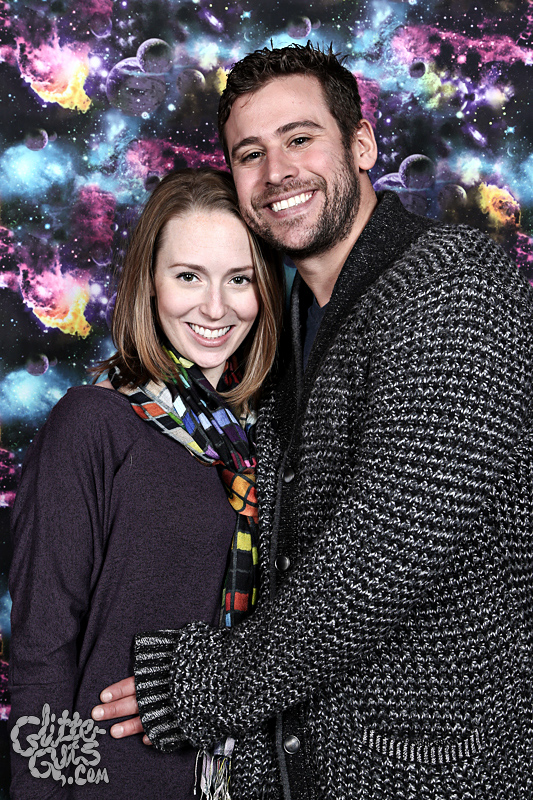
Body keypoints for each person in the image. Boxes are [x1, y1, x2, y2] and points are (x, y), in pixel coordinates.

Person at [92, 44, 533, 800]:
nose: (277, 173)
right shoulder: (283, 326)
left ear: (361, 145)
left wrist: (207, 685)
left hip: (434, 771)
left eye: (300, 138)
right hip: (300, 766)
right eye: (250, 154)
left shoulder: (454, 287)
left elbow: (392, 545)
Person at [8, 167, 284, 799]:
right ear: (148, 283)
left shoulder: (270, 441)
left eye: (239, 279)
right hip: (112, 782)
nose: (214, 308)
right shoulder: (92, 424)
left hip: (252, 782)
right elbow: (42, 653)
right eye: (188, 276)